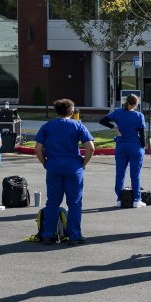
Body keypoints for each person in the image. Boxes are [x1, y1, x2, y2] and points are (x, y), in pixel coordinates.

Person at [34, 99, 95, 245]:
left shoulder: (47, 126)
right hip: (73, 167)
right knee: (74, 203)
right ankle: (74, 235)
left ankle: (48, 234)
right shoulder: (78, 126)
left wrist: (45, 163)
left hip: (54, 166)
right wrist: (83, 163)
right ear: (72, 111)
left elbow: (37, 149)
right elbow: (91, 148)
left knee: (53, 202)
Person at [100, 93, 146, 208]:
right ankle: (136, 199)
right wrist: (143, 147)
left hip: (121, 146)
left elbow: (102, 120)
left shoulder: (118, 112)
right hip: (135, 147)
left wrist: (114, 127)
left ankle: (119, 199)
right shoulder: (139, 115)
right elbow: (142, 135)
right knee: (135, 175)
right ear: (135, 104)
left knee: (120, 174)